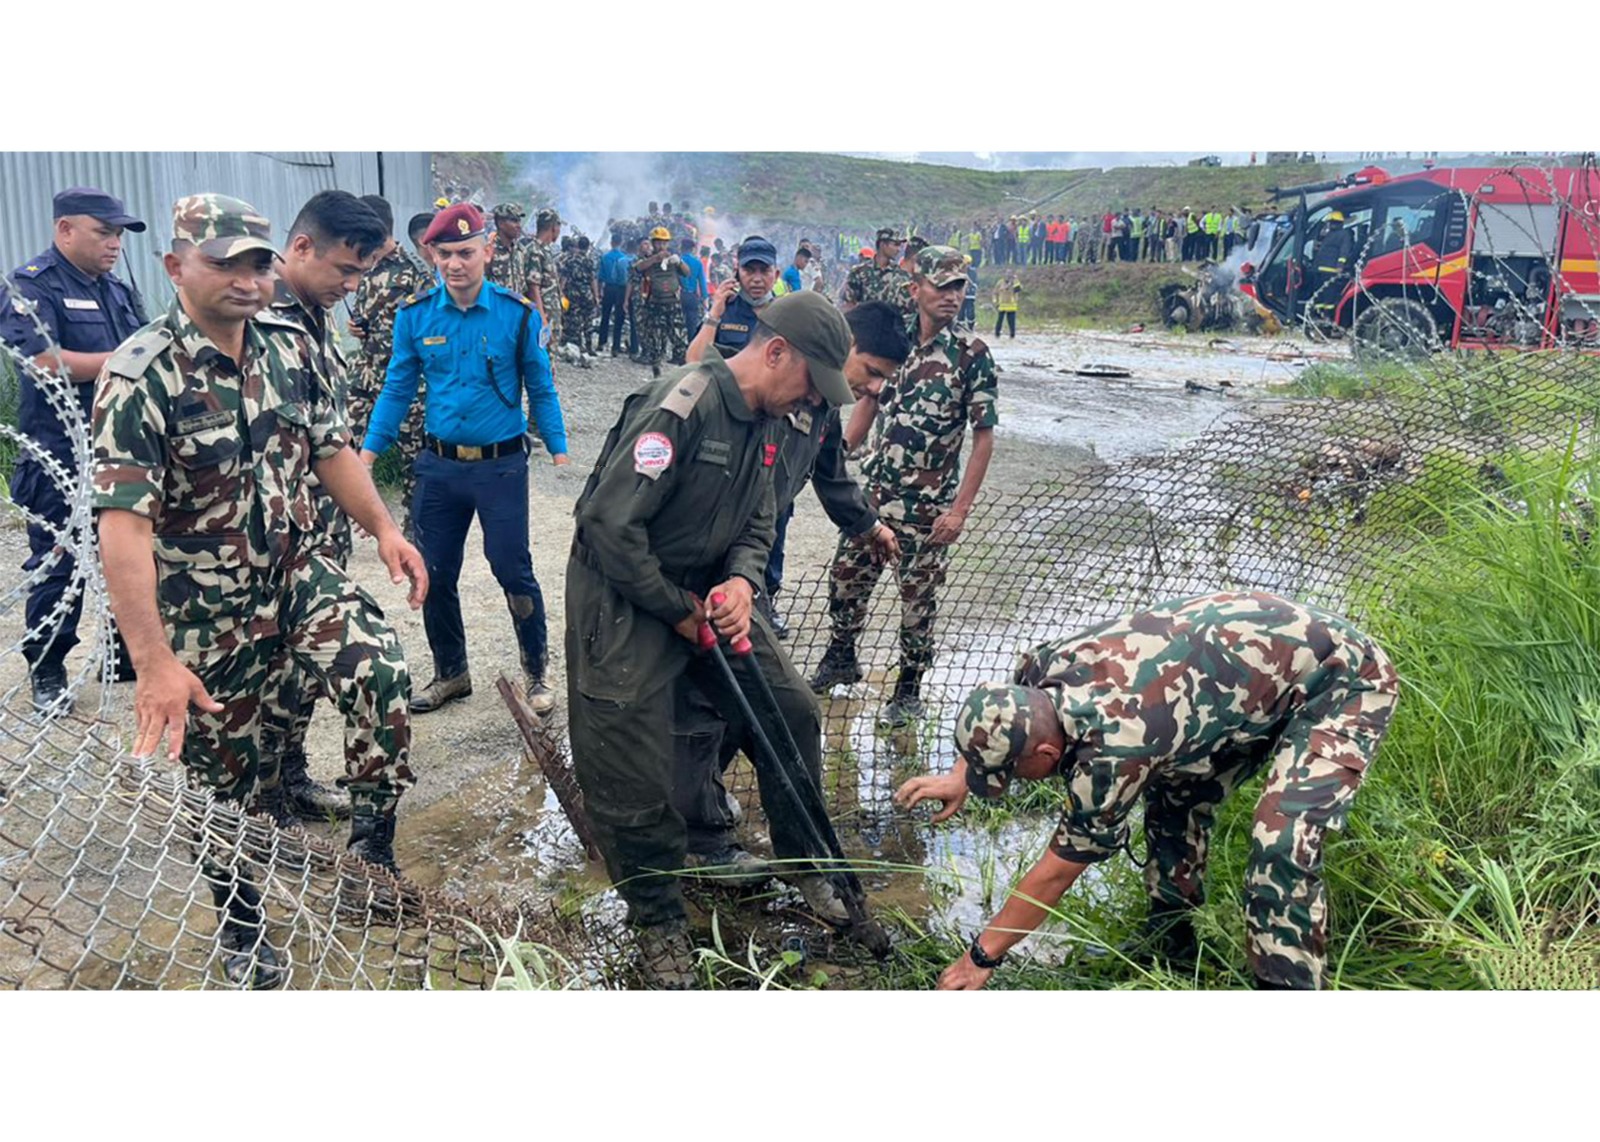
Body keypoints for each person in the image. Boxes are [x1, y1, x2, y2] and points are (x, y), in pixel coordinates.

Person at [93, 193, 426, 988]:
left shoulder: (288, 346)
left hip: (299, 571)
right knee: (224, 781)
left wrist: (382, 528)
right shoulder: (140, 374)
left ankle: (370, 856)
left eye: (256, 262)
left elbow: (329, 450)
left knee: (379, 673)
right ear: (176, 268)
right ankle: (243, 924)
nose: (246, 279)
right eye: (223, 263)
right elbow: (124, 529)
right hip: (209, 607)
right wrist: (153, 663)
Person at [566, 291, 860, 988]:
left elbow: (763, 520)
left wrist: (742, 584)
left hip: (710, 596)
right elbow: (607, 526)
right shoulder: (685, 402)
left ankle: (804, 863)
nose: (813, 403)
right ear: (776, 351)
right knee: (630, 770)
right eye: (811, 384)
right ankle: (658, 921)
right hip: (628, 595)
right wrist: (677, 611)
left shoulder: (775, 420)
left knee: (790, 710)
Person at [893, 591, 1400, 991]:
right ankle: (1171, 942)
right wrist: (965, 771)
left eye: (1009, 774)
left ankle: (1286, 989)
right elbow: (1002, 707)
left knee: (1281, 839)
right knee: (1173, 798)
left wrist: (980, 957)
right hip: (1241, 680)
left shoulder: (1114, 749)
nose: (1003, 785)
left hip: (1341, 680)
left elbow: (1055, 872)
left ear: (1047, 756)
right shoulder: (1044, 670)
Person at [672, 301, 910, 877]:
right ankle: (693, 830)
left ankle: (765, 843)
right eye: (871, 370)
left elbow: (830, 477)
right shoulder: (752, 389)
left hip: (748, 571)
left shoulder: (821, 406)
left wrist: (868, 525)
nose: (871, 387)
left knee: (767, 702)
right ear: (838, 343)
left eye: (882, 380)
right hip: (694, 572)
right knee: (705, 706)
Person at [360, 203, 569, 716]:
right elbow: (396, 388)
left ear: (487, 251)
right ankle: (451, 673)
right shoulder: (415, 315)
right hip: (440, 466)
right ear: (432, 253)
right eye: (446, 253)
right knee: (432, 570)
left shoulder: (517, 315)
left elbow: (540, 386)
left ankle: (537, 671)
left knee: (511, 566)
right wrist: (368, 452)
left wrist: (559, 449)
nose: (456, 264)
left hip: (500, 466)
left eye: (466, 252)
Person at [813, 246, 998, 727]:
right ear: (916, 290)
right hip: (874, 498)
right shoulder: (894, 342)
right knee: (845, 582)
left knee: (918, 603)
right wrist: (843, 451)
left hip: (928, 510)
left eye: (959, 286)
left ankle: (909, 687)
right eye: (942, 286)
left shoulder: (972, 356)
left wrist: (958, 511)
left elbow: (982, 440)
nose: (952, 296)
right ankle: (841, 656)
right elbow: (870, 398)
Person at [259, 190, 388, 824]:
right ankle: (262, 799)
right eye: (345, 270)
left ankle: (291, 776)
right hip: (272, 537)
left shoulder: (315, 314)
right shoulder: (258, 316)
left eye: (361, 273)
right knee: (266, 667)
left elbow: (328, 436)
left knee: (303, 671)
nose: (352, 285)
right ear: (302, 247)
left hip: (320, 528)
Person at [0, 187, 149, 713]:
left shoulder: (117, 290)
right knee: (59, 562)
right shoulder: (32, 286)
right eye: (104, 232)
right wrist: (121, 360)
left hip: (119, 447)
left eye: (119, 235)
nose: (114, 244)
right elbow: (39, 360)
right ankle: (47, 667)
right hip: (60, 450)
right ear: (65, 229)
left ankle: (123, 650)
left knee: (127, 554)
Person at [349, 197, 431, 535]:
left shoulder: (415, 271)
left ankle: (416, 525)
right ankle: (357, 513)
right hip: (365, 374)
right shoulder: (362, 266)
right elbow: (365, 317)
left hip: (404, 382)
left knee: (414, 457)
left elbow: (430, 327)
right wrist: (358, 328)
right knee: (348, 446)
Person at [629, 226, 691, 377]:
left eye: (664, 243)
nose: (662, 246)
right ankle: (656, 371)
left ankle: (684, 373)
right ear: (653, 243)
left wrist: (679, 262)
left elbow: (687, 273)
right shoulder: (647, 259)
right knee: (655, 339)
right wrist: (654, 259)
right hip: (655, 304)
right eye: (658, 243)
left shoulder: (672, 259)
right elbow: (637, 268)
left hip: (672, 304)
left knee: (679, 338)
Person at [841, 227, 913, 316]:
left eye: (899, 245)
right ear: (883, 245)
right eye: (895, 244)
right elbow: (849, 304)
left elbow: (908, 309)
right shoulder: (859, 272)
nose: (898, 249)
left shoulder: (901, 275)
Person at [596, 230, 634, 357]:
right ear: (621, 243)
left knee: (605, 316)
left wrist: (599, 291)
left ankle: (601, 342)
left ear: (611, 242)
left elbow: (600, 277)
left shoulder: (605, 257)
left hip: (608, 288)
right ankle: (615, 347)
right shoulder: (624, 258)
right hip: (620, 289)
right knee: (619, 318)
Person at [561, 235, 601, 352]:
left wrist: (561, 292)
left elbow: (564, 278)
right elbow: (593, 279)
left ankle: (577, 344)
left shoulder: (569, 261)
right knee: (588, 320)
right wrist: (596, 296)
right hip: (586, 293)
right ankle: (589, 345)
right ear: (588, 247)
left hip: (572, 294)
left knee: (574, 319)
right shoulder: (590, 262)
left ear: (578, 246)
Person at [486, 203, 526, 292]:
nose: (519, 225)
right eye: (514, 221)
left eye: (519, 221)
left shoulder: (520, 251)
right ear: (500, 224)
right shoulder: (489, 250)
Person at [677, 237, 707, 343]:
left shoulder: (678, 261)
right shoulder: (697, 263)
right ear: (693, 249)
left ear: (681, 247)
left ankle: (679, 349)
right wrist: (704, 298)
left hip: (679, 295)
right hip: (692, 296)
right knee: (692, 324)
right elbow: (702, 282)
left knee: (678, 323)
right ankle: (691, 347)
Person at [993, 273, 1021, 338]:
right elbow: (995, 292)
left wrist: (1016, 280)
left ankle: (1012, 335)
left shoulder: (1015, 282)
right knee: (999, 321)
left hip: (1011, 306)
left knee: (1012, 323)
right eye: (1006, 276)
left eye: (1009, 276)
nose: (1007, 277)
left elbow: (1018, 289)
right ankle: (997, 334)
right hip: (1002, 305)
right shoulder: (1000, 282)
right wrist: (995, 301)